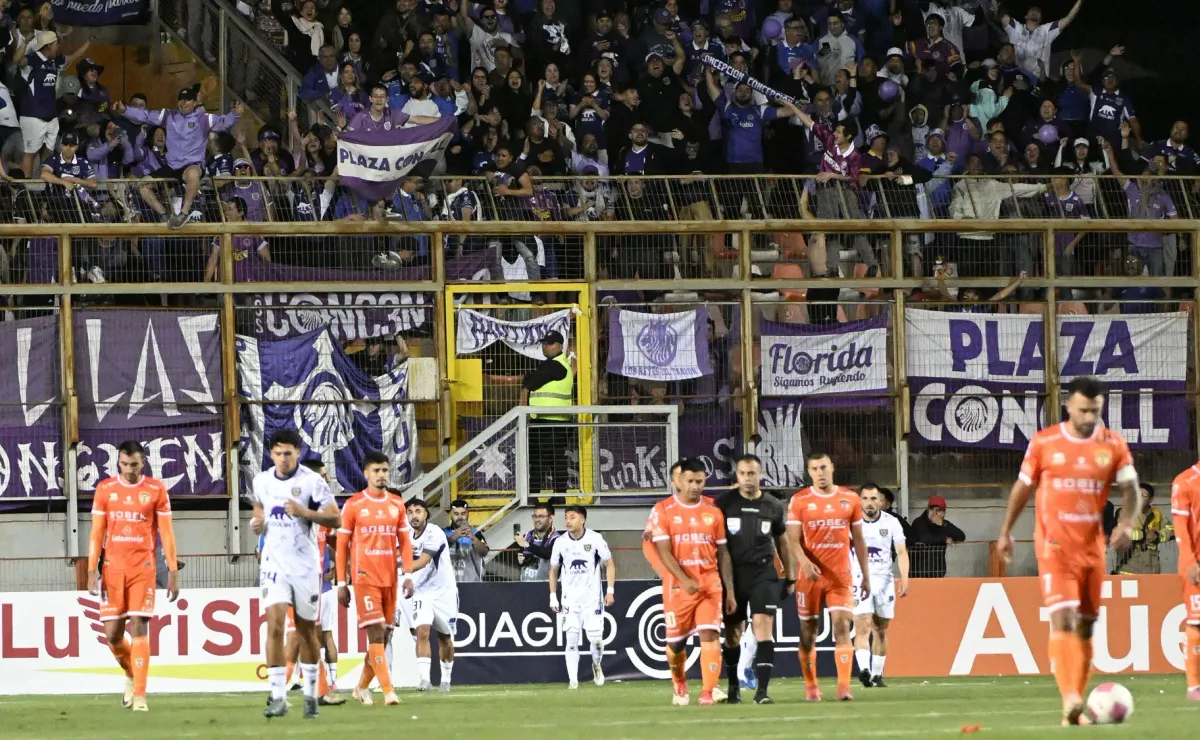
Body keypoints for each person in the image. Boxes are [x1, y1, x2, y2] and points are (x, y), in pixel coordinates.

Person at [996, 376, 1141, 726]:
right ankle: (1070, 698)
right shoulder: (1045, 443)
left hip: (1092, 549)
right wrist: (1006, 532)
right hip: (1054, 546)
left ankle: (1073, 712)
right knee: (1062, 617)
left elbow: (1132, 488)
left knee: (1088, 627)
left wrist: (1126, 524)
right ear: (1068, 406)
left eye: (1095, 410)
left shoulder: (1113, 444)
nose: (1090, 416)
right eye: (1083, 410)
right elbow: (1022, 487)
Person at [251, 429, 342, 719]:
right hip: (274, 566)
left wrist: (304, 512)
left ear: (298, 453)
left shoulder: (311, 481)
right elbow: (259, 507)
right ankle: (278, 697)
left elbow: (335, 517)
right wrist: (258, 523)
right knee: (275, 626)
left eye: (288, 453)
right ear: (271, 454)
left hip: (305, 567)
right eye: (278, 453)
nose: (283, 458)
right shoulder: (262, 480)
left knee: (306, 632)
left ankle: (312, 693)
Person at [86, 440, 178, 712]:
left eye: (134, 464)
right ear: (118, 463)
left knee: (139, 624)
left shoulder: (155, 490)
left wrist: (172, 570)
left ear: (143, 463)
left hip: (143, 568)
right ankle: (130, 673)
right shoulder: (105, 490)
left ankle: (140, 695)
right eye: (124, 464)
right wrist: (92, 569)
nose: (129, 469)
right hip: (112, 569)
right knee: (112, 635)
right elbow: (96, 533)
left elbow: (167, 533)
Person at [647, 458, 735, 706]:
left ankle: (708, 691)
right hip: (679, 588)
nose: (696, 486)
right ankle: (680, 682)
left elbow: (723, 553)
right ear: (680, 481)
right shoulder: (663, 510)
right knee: (675, 644)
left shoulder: (713, 512)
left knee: (710, 634)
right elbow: (663, 551)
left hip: (709, 584)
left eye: (700, 481)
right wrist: (684, 580)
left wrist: (729, 590)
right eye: (691, 481)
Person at [786, 452, 871, 702]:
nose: (820, 473)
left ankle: (844, 687)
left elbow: (858, 539)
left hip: (840, 575)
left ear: (832, 467)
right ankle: (811, 686)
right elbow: (792, 539)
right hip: (809, 576)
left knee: (843, 627)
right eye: (814, 469)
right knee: (808, 632)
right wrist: (804, 563)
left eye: (823, 467)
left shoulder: (849, 498)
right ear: (809, 472)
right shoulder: (799, 500)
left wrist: (865, 575)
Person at [336, 451, 412, 707]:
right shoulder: (354, 504)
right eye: (376, 471)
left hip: (390, 578)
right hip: (364, 577)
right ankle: (388, 690)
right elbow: (342, 545)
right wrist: (341, 582)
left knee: (385, 636)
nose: (381, 475)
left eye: (385, 471)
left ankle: (360, 687)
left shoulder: (396, 505)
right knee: (376, 633)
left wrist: (409, 574)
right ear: (366, 473)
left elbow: (405, 542)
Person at [714, 454, 791, 705]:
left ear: (761, 475)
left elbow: (782, 540)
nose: (748, 478)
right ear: (737, 476)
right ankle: (734, 688)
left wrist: (790, 575)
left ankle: (762, 691)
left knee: (762, 627)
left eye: (752, 473)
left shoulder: (773, 506)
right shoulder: (723, 503)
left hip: (763, 573)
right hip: (732, 576)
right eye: (743, 473)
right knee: (733, 634)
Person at [114, 87, 244, 229]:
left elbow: (224, 122)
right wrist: (125, 110)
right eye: (181, 99)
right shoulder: (169, 115)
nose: (183, 103)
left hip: (192, 164)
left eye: (187, 100)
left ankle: (183, 214)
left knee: (193, 174)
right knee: (142, 186)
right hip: (171, 166)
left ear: (194, 102)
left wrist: (235, 114)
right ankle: (164, 215)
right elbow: (145, 115)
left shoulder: (204, 118)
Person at [281, 459, 344, 705]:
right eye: (322, 477)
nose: (326, 481)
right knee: (301, 635)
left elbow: (334, 538)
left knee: (306, 636)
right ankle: (300, 688)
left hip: (313, 581)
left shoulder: (318, 510)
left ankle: (314, 689)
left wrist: (340, 570)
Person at [549, 504, 616, 690]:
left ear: (582, 519)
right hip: (569, 600)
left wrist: (610, 590)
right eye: (566, 518)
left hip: (592, 599)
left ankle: (596, 664)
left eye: (572, 517)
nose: (568, 521)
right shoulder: (560, 542)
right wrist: (553, 596)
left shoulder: (595, 539)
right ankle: (573, 681)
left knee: (595, 641)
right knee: (571, 639)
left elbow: (609, 564)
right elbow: (553, 570)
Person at [851, 483, 909, 689]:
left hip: (884, 581)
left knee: (881, 629)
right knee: (862, 624)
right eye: (865, 498)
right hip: (859, 579)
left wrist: (905, 578)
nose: (869, 502)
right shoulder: (852, 523)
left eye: (874, 498)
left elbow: (901, 551)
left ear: (881, 501)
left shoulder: (891, 522)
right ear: (860, 500)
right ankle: (864, 670)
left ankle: (876, 676)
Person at [400, 498, 460, 693]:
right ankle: (425, 680)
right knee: (422, 632)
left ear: (426, 514)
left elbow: (422, 562)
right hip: (422, 592)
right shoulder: (405, 535)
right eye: (410, 512)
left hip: (444, 592)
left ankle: (446, 679)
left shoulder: (435, 533)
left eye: (418, 511)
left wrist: (392, 566)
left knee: (445, 638)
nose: (414, 515)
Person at [521, 330, 574, 498]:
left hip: (548, 424)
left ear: (559, 346)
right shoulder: (559, 364)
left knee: (540, 462)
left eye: (549, 343)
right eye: (543, 343)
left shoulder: (554, 365)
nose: (545, 346)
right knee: (554, 461)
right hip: (554, 422)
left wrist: (523, 407)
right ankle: (558, 496)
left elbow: (529, 382)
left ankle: (533, 496)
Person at [1170, 462, 1200, 700]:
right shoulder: (1185, 481)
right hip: (1196, 563)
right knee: (1197, 622)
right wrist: (1189, 561)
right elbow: (1180, 526)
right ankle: (1194, 686)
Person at [908, 495, 965, 578]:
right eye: (931, 509)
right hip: (918, 571)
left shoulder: (944, 524)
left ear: (943, 513)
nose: (934, 513)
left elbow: (961, 536)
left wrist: (942, 525)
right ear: (928, 510)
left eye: (938, 510)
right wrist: (943, 539)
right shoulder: (918, 522)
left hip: (937, 570)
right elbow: (924, 539)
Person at [1115, 483, 1166, 575]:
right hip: (1128, 568)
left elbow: (1171, 530)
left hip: (1151, 569)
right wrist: (1144, 536)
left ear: (1150, 499)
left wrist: (1157, 535)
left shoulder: (1156, 513)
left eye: (1144, 495)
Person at [445, 498, 489, 582]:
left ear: (468, 514)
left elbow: (484, 552)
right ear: (450, 514)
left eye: (463, 513)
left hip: (472, 584)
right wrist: (455, 536)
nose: (460, 517)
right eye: (456, 514)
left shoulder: (476, 533)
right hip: (448, 585)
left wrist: (473, 538)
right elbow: (437, 550)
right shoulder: (442, 533)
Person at [516, 501, 561, 581]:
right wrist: (521, 561)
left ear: (551, 518)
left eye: (541, 516)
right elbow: (522, 562)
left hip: (545, 588)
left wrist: (528, 545)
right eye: (535, 516)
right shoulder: (527, 536)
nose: (537, 519)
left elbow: (547, 553)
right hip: (525, 587)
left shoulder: (557, 539)